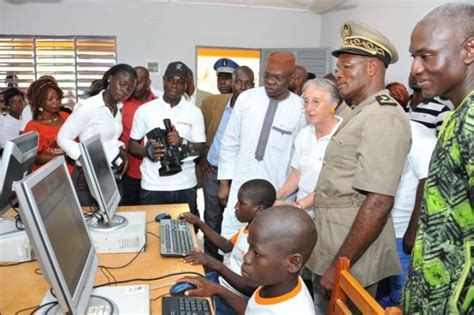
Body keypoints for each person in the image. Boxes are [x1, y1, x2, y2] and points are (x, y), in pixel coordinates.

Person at [306, 21, 411, 314]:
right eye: (338, 67)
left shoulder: (384, 116)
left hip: (351, 253)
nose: (338, 74)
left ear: (372, 68)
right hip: (332, 241)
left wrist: (341, 266)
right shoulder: (359, 112)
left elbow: (378, 202)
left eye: (346, 67)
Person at [402, 3, 473, 314]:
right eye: (413, 57)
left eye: (425, 55)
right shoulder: (456, 116)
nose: (415, 69)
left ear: (469, 51)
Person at [218, 51, 307, 239]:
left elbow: (298, 160)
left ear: (291, 78)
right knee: (231, 241)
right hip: (241, 187)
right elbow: (230, 142)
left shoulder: (300, 109)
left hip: (276, 193)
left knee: (271, 243)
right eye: (267, 76)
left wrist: (286, 196)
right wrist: (224, 182)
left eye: (278, 78)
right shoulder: (247, 99)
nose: (271, 82)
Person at [176, 205, 317, 315]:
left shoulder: (293, 310)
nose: (246, 257)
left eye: (256, 254)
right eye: (249, 247)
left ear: (293, 263)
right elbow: (252, 310)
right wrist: (218, 290)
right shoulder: (276, 284)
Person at [375, 82, 436, 307]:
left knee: (402, 298)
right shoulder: (377, 132)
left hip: (402, 235)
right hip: (378, 232)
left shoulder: (418, 133)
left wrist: (413, 232)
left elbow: (427, 181)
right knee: (378, 299)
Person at [180, 179, 276, 315]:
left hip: (233, 299)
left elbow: (250, 288)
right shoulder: (248, 228)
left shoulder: (263, 241)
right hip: (221, 282)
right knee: (179, 283)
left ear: (258, 209)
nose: (236, 207)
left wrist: (216, 265)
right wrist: (200, 223)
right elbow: (226, 246)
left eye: (241, 203)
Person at [128, 61, 205, 216]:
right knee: (151, 233)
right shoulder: (145, 110)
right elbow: (132, 144)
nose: (174, 86)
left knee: (186, 234)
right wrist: (146, 151)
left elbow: (201, 148)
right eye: (170, 80)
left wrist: (182, 141)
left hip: (185, 185)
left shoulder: (194, 112)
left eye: (179, 82)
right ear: (163, 80)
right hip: (152, 185)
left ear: (185, 85)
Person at [58, 64, 137, 205]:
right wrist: (87, 159)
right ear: (110, 79)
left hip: (112, 175)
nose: (125, 90)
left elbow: (111, 137)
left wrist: (121, 149)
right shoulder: (88, 107)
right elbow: (63, 138)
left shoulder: (117, 108)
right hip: (88, 178)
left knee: (111, 219)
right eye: (122, 84)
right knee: (88, 223)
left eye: (130, 89)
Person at [200, 66, 255, 261]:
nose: (244, 87)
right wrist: (206, 156)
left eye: (249, 84)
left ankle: (231, 262)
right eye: (240, 82)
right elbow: (208, 130)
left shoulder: (254, 110)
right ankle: (210, 261)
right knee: (211, 219)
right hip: (212, 172)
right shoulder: (217, 103)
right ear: (233, 83)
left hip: (237, 177)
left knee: (234, 221)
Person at [275, 78, 343, 218]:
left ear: (334, 104)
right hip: (302, 214)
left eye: (316, 102)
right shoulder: (304, 134)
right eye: (306, 101)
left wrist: (297, 206)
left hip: (329, 216)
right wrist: (277, 195)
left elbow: (329, 187)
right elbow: (297, 174)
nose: (308, 108)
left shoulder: (343, 135)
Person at [119, 66, 158, 206]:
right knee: (129, 212)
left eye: (139, 83)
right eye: (132, 83)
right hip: (129, 172)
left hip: (154, 173)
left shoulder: (158, 103)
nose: (134, 87)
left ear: (148, 83)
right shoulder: (121, 105)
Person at [22, 78, 73, 173]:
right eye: (50, 99)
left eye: (57, 98)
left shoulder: (66, 116)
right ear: (40, 102)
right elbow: (32, 157)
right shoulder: (32, 126)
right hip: (48, 176)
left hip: (71, 172)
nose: (56, 102)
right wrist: (64, 156)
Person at [0, 88, 25, 153]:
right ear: (8, 105)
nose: (18, 105)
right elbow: (7, 151)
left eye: (20, 101)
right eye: (13, 102)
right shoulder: (4, 124)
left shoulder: (25, 119)